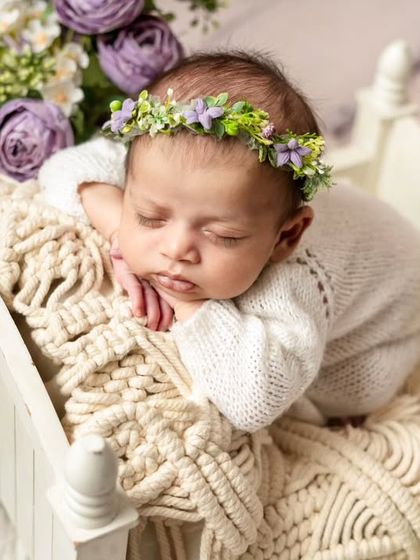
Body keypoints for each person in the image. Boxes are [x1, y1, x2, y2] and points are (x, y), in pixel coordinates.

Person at [38, 51, 420, 432]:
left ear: (285, 237)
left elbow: (255, 401)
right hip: (368, 234)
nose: (175, 249)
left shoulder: (291, 283)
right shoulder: (167, 164)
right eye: (151, 217)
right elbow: (66, 167)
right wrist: (119, 232)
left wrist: (192, 307)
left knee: (344, 392)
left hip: (387, 326)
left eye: (222, 236)